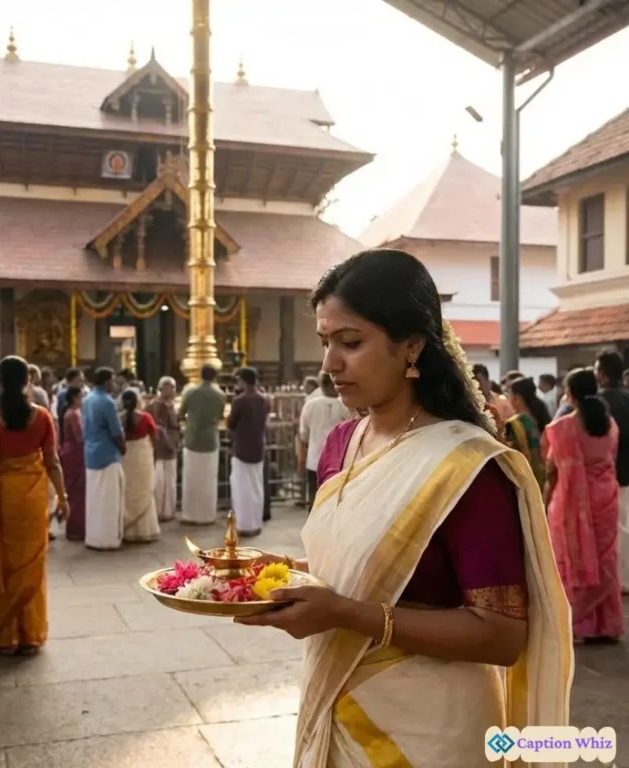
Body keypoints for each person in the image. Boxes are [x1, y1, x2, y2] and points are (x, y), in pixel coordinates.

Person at [235, 249, 571, 768]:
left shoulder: (466, 466)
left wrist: (347, 614)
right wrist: (276, 574)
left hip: (428, 733)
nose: (329, 364)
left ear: (411, 346)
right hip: (336, 706)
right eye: (326, 343)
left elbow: (503, 636)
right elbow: (359, 569)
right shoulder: (341, 443)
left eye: (350, 343)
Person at [0, 356, 68, 655]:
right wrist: (63, 498)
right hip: (32, 499)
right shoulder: (42, 417)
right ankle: (29, 633)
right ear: (29, 383)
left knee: (2, 561)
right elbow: (53, 462)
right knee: (31, 564)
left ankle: (5, 635)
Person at [544, 368, 623, 642]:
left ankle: (577, 624)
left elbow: (552, 470)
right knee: (605, 560)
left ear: (571, 394)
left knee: (573, 560)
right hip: (606, 497)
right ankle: (606, 625)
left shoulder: (564, 428)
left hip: (572, 501)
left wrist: (544, 503)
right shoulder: (610, 424)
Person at [595, 350, 629, 593]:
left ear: (603, 373)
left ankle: (619, 579)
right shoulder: (627, 397)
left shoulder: (599, 403)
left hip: (607, 475)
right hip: (626, 472)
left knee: (615, 530)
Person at [82, 367, 127, 550]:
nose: (114, 384)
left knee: (94, 499)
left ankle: (93, 537)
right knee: (110, 501)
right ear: (106, 381)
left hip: (91, 454)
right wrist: (123, 448)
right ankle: (109, 539)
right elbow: (116, 431)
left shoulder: (86, 399)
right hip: (108, 455)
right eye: (113, 380)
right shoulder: (107, 402)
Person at [179, 364, 225, 525]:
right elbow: (220, 415)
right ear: (215, 376)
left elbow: (180, 413)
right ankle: (208, 515)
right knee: (209, 479)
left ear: (200, 374)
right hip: (211, 440)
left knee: (191, 478)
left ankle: (190, 515)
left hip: (192, 439)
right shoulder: (220, 394)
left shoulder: (191, 392)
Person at [228, 367, 270, 536]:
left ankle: (244, 526)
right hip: (258, 447)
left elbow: (231, 426)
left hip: (242, 448)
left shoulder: (240, 401)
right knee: (257, 486)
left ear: (242, 381)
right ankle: (256, 523)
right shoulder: (264, 399)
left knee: (241, 487)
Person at [298, 372, 348, 509]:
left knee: (315, 500)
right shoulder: (345, 406)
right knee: (334, 501)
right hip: (339, 462)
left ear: (321, 385)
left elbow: (303, 433)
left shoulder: (310, 405)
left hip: (314, 460)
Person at [121, 390, 161, 542]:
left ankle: (128, 530)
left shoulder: (120, 418)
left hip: (127, 457)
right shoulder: (145, 418)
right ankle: (145, 530)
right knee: (144, 490)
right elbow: (155, 436)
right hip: (143, 455)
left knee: (128, 491)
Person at [506, 377, 550, 492]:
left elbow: (509, 455)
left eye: (509, 394)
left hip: (525, 479)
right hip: (545, 475)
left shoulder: (513, 423)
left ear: (517, 398)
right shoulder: (542, 415)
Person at [146, 376, 180, 522]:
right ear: (162, 388)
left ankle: (167, 510)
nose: (173, 390)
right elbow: (160, 428)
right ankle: (161, 511)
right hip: (162, 448)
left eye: (174, 387)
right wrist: (170, 444)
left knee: (168, 480)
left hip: (168, 447)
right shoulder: (158, 405)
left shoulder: (169, 404)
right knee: (161, 481)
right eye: (170, 387)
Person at [59, 385, 86, 542]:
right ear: (75, 397)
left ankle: (73, 528)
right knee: (77, 492)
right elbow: (79, 436)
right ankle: (76, 529)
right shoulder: (74, 414)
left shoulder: (69, 412)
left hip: (69, 451)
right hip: (75, 453)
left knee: (72, 491)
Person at [472, 364, 512, 432]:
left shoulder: (503, 402)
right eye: (473, 382)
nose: (476, 385)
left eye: (479, 380)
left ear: (487, 381)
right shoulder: (470, 406)